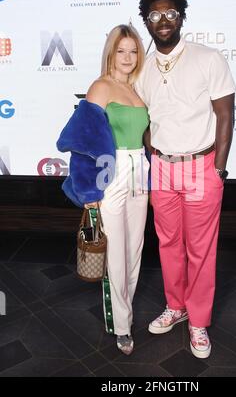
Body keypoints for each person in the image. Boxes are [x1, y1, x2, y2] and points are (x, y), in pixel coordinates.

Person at [136, 0, 236, 359]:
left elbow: (225, 115)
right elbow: (142, 117)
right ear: (146, 21)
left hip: (202, 167)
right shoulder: (142, 67)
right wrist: (154, 149)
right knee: (168, 244)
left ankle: (198, 321)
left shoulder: (207, 58)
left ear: (182, 17)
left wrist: (220, 168)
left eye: (171, 14)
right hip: (161, 167)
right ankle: (175, 307)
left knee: (200, 249)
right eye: (155, 16)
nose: (163, 21)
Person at [57, 24, 150, 355]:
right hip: (111, 175)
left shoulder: (137, 89)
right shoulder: (100, 87)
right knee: (116, 252)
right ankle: (121, 325)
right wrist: (90, 195)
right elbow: (85, 144)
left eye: (133, 50)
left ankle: (128, 311)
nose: (127, 57)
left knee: (135, 249)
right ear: (111, 53)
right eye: (121, 50)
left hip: (140, 172)